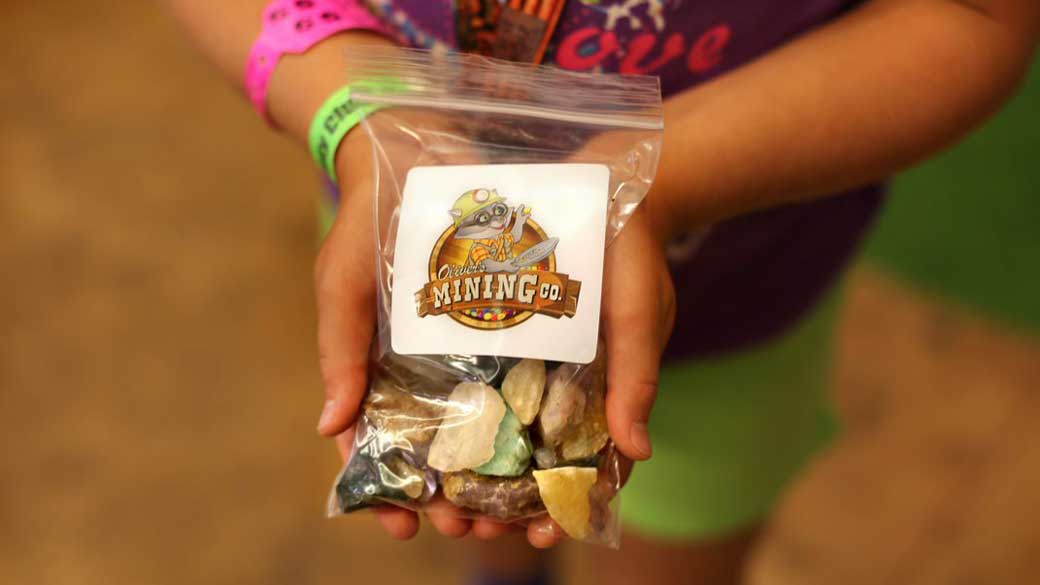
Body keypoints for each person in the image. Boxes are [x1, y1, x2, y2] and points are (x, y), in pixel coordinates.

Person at [166, 1, 1039, 583]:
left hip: (735, 308)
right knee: (479, 503)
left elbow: (970, 17)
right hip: (404, 253)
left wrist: (661, 174)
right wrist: (354, 110)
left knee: (675, 544)